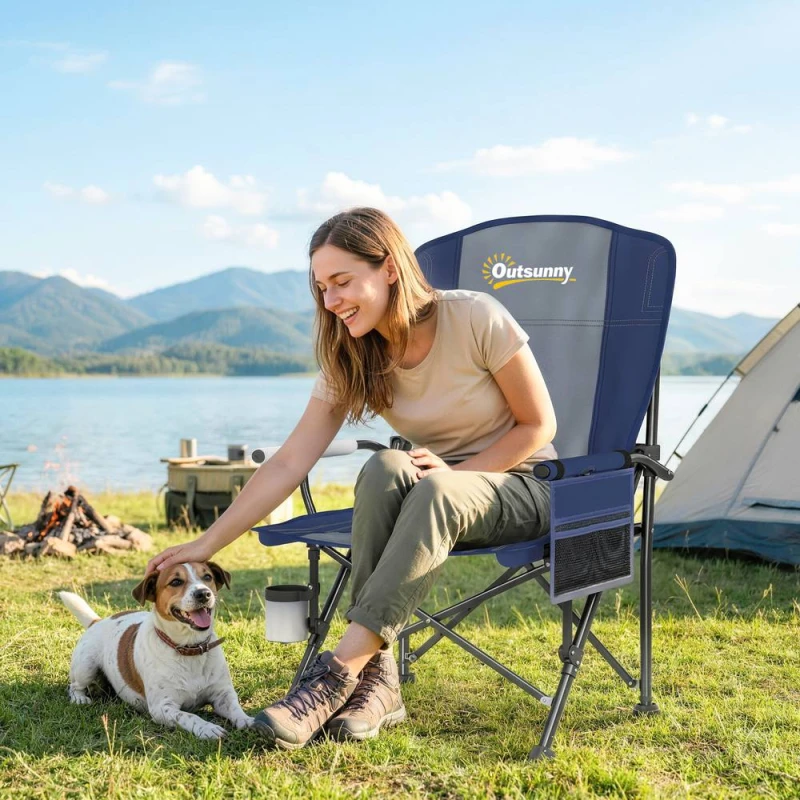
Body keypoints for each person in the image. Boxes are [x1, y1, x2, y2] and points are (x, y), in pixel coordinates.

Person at [146, 207, 557, 749]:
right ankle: (380, 680)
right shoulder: (352, 353)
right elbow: (290, 463)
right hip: (435, 495)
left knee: (430, 483)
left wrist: (458, 474)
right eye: (321, 288)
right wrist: (204, 542)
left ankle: (339, 675)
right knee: (385, 466)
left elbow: (538, 424)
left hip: (525, 485)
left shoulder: (475, 316)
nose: (331, 301)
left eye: (342, 282)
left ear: (388, 267)